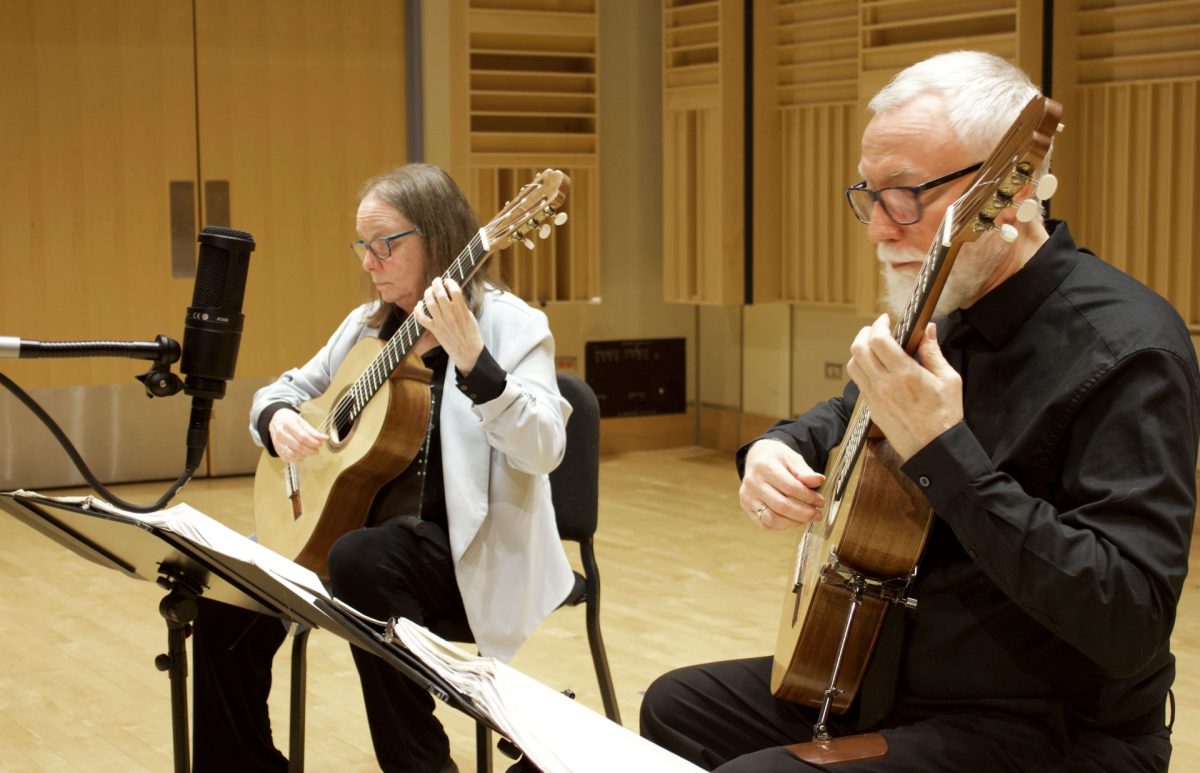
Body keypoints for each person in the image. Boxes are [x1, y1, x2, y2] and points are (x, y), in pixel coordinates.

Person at [639, 51, 1200, 772]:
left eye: (906, 195)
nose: (878, 227)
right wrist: (773, 451)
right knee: (677, 708)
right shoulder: (945, 305)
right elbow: (840, 420)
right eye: (870, 195)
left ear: (1012, 186)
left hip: (1050, 724)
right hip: (889, 674)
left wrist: (944, 449)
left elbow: (1130, 617)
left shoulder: (1127, 348)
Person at [190, 163, 575, 773]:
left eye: (385, 244)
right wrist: (276, 420)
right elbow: (284, 390)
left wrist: (477, 363)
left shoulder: (511, 326)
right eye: (362, 246)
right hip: (355, 546)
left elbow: (545, 448)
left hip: (465, 553)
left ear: (441, 239)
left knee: (362, 561)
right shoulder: (369, 325)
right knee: (223, 590)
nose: (369, 262)